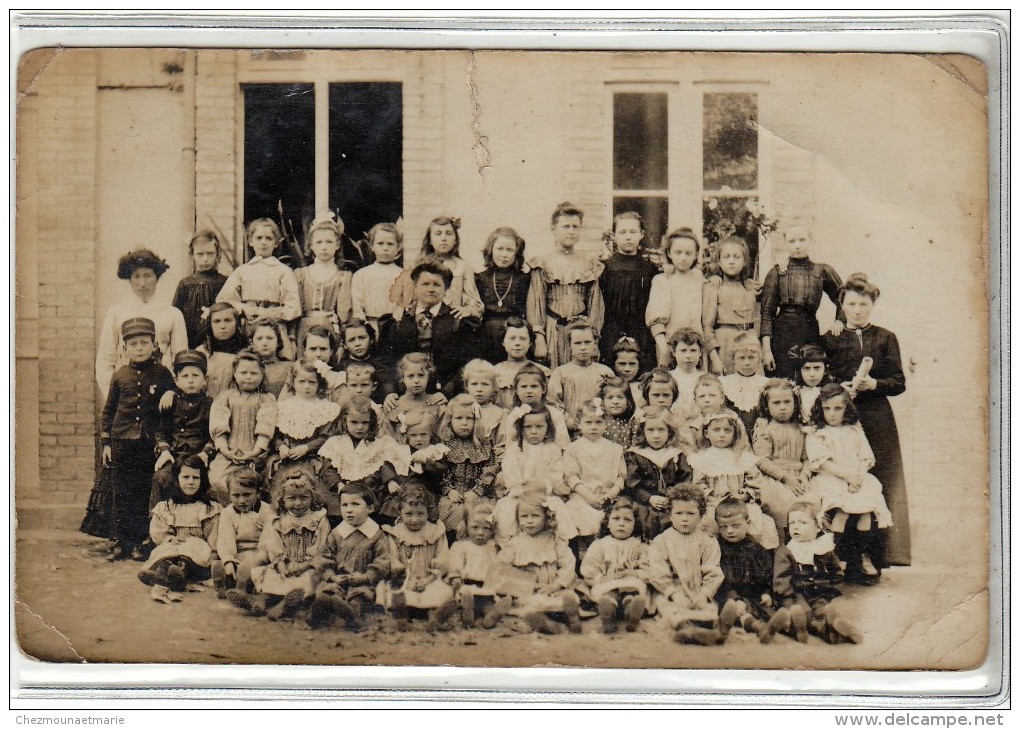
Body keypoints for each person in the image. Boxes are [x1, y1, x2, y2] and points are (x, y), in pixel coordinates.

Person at [822, 271, 910, 566]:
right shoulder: (830, 339)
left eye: (863, 305)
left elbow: (898, 382)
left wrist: (874, 384)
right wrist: (838, 388)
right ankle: (843, 555)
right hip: (842, 420)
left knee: (879, 479)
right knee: (845, 481)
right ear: (842, 305)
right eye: (851, 305)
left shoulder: (886, 338)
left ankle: (878, 554)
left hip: (877, 418)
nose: (857, 311)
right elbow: (819, 377)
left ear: (872, 305)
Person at [97, 317, 176, 560]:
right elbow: (109, 410)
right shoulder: (120, 375)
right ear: (124, 349)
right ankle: (122, 541)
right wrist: (107, 443)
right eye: (133, 344)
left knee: (143, 491)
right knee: (122, 491)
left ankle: (142, 541)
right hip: (122, 441)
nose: (139, 348)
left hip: (147, 443)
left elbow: (175, 393)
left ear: (154, 345)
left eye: (144, 342)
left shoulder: (162, 373)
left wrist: (172, 391)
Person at [806, 383, 893, 585]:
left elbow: (865, 457)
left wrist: (858, 477)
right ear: (820, 409)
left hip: (857, 477)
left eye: (838, 408)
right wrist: (847, 477)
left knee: (865, 511)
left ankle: (862, 556)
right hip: (832, 478)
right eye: (827, 409)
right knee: (842, 511)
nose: (832, 414)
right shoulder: (817, 432)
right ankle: (837, 556)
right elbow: (822, 462)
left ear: (847, 408)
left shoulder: (854, 430)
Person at [378, 257, 481, 396]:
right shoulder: (398, 320)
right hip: (403, 395)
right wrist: (390, 391)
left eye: (437, 285)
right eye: (425, 284)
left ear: (446, 289)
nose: (431, 289)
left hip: (445, 395)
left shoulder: (458, 322)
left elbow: (467, 364)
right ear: (415, 287)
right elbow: (385, 361)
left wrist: (446, 392)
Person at [232, 473, 329, 620]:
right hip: (285, 564)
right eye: (292, 498)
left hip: (309, 566)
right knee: (272, 576)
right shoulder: (278, 520)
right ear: (282, 499)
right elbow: (274, 545)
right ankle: (260, 601)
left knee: (306, 581)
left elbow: (322, 547)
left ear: (312, 497)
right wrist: (280, 563)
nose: (298, 503)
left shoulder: (319, 520)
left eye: (303, 498)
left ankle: (285, 605)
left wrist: (305, 566)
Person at [96, 249, 187, 398]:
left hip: (161, 392)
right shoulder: (116, 312)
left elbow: (180, 359)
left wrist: (171, 393)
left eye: (148, 275)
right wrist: (112, 395)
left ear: (157, 277)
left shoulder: (172, 314)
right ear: (129, 279)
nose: (142, 283)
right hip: (125, 393)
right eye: (136, 276)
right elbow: (105, 359)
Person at [760, 219, 845, 379]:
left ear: (811, 241)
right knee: (783, 380)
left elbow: (844, 297)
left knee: (808, 377)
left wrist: (840, 320)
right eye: (792, 241)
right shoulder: (778, 272)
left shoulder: (822, 271)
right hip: (782, 334)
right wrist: (766, 350)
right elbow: (766, 313)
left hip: (809, 331)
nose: (797, 245)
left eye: (802, 240)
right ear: (785, 243)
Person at [770, 501, 863, 644]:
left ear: (817, 526)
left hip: (819, 593)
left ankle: (838, 626)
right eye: (792, 522)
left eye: (802, 522)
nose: (795, 526)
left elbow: (836, 572)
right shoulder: (786, 551)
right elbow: (781, 580)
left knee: (824, 609)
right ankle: (825, 630)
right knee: (803, 612)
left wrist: (830, 592)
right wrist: (787, 599)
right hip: (796, 594)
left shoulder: (823, 548)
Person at [527, 202, 605, 369]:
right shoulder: (543, 262)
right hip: (552, 330)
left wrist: (594, 339)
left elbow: (595, 304)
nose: (571, 231)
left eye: (575, 226)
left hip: (581, 334)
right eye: (566, 226)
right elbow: (536, 302)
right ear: (554, 229)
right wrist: (539, 338)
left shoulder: (589, 263)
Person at [689, 410, 780, 549]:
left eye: (727, 430)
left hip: (740, 503)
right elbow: (698, 485)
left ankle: (758, 556)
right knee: (708, 523)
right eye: (716, 430)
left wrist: (744, 496)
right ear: (706, 433)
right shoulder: (702, 458)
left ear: (734, 433)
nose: (722, 434)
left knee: (761, 521)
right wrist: (713, 499)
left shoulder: (743, 457)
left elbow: (755, 481)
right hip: (714, 504)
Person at [497, 487, 582, 635]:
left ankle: (570, 616)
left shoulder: (555, 540)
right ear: (517, 519)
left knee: (566, 599)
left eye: (535, 516)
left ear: (546, 517)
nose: (529, 521)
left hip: (554, 589)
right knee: (529, 604)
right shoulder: (514, 543)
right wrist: (521, 585)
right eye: (524, 516)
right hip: (528, 591)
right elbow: (502, 567)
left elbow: (568, 563)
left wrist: (556, 585)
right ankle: (547, 623)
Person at [494, 403, 580, 547]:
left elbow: (554, 474)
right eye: (528, 427)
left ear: (547, 429)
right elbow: (510, 475)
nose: (534, 431)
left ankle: (561, 548)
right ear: (521, 430)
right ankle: (508, 547)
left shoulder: (552, 449)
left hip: (544, 495)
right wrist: (521, 489)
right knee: (506, 509)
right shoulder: (515, 450)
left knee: (557, 508)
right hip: (519, 494)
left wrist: (543, 489)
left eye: (539, 427)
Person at [308, 481, 390, 631]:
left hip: (361, 581)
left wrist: (366, 577)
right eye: (344, 505)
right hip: (339, 578)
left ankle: (351, 615)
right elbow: (324, 556)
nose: (349, 510)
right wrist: (331, 576)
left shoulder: (376, 535)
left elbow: (382, 562)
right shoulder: (337, 533)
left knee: (359, 597)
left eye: (355, 504)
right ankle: (319, 613)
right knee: (327, 592)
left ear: (370, 508)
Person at [137, 455, 221, 602]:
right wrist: (169, 538)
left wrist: (213, 553)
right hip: (175, 546)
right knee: (165, 553)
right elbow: (158, 528)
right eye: (186, 477)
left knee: (189, 552)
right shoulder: (168, 506)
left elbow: (214, 533)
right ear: (176, 479)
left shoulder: (208, 508)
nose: (190, 482)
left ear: (202, 480)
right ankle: (163, 574)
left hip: (198, 552)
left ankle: (178, 575)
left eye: (195, 478)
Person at [648, 484, 724, 645]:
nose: (684, 518)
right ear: (670, 515)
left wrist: (704, 594)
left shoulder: (708, 541)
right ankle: (685, 630)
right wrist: (673, 594)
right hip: (672, 592)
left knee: (709, 610)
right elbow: (658, 573)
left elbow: (713, 572)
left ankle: (705, 629)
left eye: (690, 513)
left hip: (698, 591)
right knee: (667, 607)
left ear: (701, 515)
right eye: (679, 513)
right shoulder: (662, 541)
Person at [216, 218, 301, 360]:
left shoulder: (283, 271)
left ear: (276, 243)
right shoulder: (242, 271)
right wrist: (243, 308)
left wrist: (269, 313)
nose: (263, 242)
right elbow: (223, 301)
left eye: (269, 238)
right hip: (248, 327)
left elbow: (293, 307)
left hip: (274, 329)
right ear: (250, 241)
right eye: (259, 238)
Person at [378, 482, 457, 632]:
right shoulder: (395, 534)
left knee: (443, 591)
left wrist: (428, 580)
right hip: (405, 581)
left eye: (420, 513)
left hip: (430, 580)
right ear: (400, 512)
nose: (414, 519)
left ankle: (435, 617)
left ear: (428, 512)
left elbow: (443, 559)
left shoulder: (436, 532)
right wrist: (405, 579)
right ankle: (403, 614)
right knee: (393, 592)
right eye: (408, 514)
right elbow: (392, 561)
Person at [266, 359, 342, 516]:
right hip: (287, 459)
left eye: (311, 382)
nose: (306, 386)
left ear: (319, 384)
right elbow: (275, 434)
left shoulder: (325, 408)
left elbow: (326, 437)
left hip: (312, 459)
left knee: (314, 492)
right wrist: (281, 446)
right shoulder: (284, 406)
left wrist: (306, 447)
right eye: (301, 381)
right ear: (293, 382)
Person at [317, 395, 406, 525]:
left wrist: (390, 481)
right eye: (354, 422)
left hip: (368, 485)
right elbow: (328, 468)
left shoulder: (377, 444)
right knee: (334, 506)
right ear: (344, 421)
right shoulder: (335, 443)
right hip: (342, 487)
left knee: (379, 502)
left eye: (364, 423)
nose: (360, 427)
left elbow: (385, 464)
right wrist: (339, 484)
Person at [207, 350, 278, 504]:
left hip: (255, 454)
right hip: (228, 453)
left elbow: (265, 429)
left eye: (254, 373)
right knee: (217, 480)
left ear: (262, 374)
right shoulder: (225, 397)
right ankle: (228, 512)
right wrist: (226, 450)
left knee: (252, 484)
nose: (248, 377)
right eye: (243, 372)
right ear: (234, 373)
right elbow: (218, 428)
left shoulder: (266, 399)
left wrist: (255, 452)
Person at [151, 350, 215, 508]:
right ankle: (158, 521)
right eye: (185, 376)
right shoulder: (171, 401)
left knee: (208, 481)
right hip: (175, 454)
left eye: (196, 375)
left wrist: (205, 453)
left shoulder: (210, 404)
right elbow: (161, 431)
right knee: (162, 477)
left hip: (199, 455)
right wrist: (165, 450)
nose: (191, 381)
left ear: (205, 380)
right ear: (176, 380)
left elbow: (214, 435)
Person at [580, 496, 650, 634]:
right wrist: (600, 578)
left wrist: (635, 573)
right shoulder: (600, 544)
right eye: (616, 519)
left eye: (627, 520)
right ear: (607, 523)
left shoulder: (640, 546)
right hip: (607, 582)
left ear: (635, 524)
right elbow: (589, 567)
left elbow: (649, 567)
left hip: (630, 581)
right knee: (607, 596)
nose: (621, 524)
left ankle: (632, 613)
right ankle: (608, 617)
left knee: (632, 592)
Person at [752, 379, 812, 539]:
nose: (783, 407)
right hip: (776, 478)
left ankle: (805, 546)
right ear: (767, 406)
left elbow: (807, 458)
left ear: (795, 403)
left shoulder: (801, 428)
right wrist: (786, 479)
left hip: (799, 477)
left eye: (787, 402)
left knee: (811, 501)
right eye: (776, 403)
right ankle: (782, 546)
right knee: (780, 504)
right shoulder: (765, 429)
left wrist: (805, 476)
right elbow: (762, 460)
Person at [434, 395, 500, 539]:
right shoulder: (444, 445)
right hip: (453, 496)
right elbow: (439, 472)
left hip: (477, 495)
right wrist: (448, 490)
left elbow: (491, 470)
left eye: (469, 418)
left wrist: (477, 491)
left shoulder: (483, 445)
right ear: (450, 419)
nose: (464, 423)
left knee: (479, 514)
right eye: (459, 418)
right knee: (450, 515)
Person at [600, 212, 659, 372]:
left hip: (641, 331)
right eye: (622, 232)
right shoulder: (604, 267)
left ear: (642, 235)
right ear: (613, 236)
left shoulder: (650, 268)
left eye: (633, 232)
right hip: (611, 330)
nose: (628, 237)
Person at [623, 405, 691, 538]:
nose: (656, 435)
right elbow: (632, 483)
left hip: (672, 501)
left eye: (661, 430)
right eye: (651, 430)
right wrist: (649, 498)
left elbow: (685, 480)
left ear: (670, 432)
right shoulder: (635, 455)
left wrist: (672, 497)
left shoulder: (677, 454)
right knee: (643, 518)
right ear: (643, 432)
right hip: (645, 501)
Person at [713, 497, 776, 642]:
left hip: (754, 597)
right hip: (729, 597)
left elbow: (767, 574)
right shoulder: (718, 550)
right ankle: (758, 628)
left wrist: (766, 593)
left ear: (747, 524)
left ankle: (784, 626)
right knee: (737, 611)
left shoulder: (757, 549)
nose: (729, 531)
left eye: (735, 526)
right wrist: (734, 599)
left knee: (767, 611)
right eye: (724, 527)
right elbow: (721, 580)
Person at [565, 399, 627, 537]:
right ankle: (583, 548)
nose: (593, 427)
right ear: (579, 424)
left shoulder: (614, 449)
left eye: (598, 422)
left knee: (619, 512)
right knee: (574, 509)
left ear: (605, 424)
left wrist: (610, 494)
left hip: (609, 496)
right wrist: (589, 497)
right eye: (588, 422)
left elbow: (620, 478)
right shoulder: (573, 449)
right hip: (583, 497)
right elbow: (572, 478)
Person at [446, 502, 512, 629]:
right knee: (466, 597)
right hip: (468, 585)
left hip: (488, 585)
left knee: (488, 602)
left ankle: (491, 616)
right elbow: (455, 564)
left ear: (492, 529)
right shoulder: (461, 546)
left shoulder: (493, 546)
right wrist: (455, 577)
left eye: (486, 528)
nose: (481, 532)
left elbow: (501, 562)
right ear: (466, 526)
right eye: (475, 527)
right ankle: (467, 613)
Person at [646, 227, 706, 368]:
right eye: (678, 252)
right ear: (669, 253)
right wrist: (664, 350)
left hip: (695, 348)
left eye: (688, 253)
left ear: (696, 254)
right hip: (670, 347)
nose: (683, 258)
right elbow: (656, 321)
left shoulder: (699, 279)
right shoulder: (663, 280)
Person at [294, 215, 353, 356]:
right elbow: (295, 310)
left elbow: (344, 314)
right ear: (311, 245)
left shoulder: (343, 276)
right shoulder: (301, 274)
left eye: (329, 242)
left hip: (330, 329)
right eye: (319, 242)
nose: (324, 247)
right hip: (304, 329)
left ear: (337, 245)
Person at [212, 469, 272, 598]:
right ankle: (222, 586)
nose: (241, 501)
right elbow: (225, 538)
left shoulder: (267, 511)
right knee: (224, 564)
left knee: (252, 569)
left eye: (247, 495)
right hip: (237, 554)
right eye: (236, 495)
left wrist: (259, 558)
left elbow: (268, 540)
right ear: (229, 494)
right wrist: (228, 559)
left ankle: (240, 589)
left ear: (257, 493)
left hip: (258, 555)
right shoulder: (227, 513)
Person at [702, 236, 757, 375]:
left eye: (737, 257)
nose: (731, 261)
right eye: (726, 257)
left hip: (749, 343)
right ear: (719, 261)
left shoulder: (750, 287)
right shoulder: (714, 287)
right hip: (724, 345)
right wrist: (715, 358)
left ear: (744, 261)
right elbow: (707, 327)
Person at [548, 317, 614, 431]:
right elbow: (553, 403)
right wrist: (568, 421)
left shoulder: (605, 372)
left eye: (587, 342)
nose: (583, 347)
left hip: (598, 429)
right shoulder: (560, 373)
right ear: (570, 346)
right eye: (577, 343)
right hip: (569, 430)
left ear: (595, 343)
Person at [475, 227, 530, 363]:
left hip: (514, 332)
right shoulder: (480, 278)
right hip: (486, 334)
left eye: (509, 250)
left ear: (516, 253)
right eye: (500, 249)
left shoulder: (524, 279)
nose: (504, 255)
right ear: (491, 250)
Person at [172, 229, 229, 349]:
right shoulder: (185, 284)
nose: (205, 259)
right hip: (191, 340)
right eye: (200, 254)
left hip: (219, 342)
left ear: (218, 254)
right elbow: (175, 316)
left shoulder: (226, 282)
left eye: (210, 254)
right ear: (192, 255)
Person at [351, 222, 404, 336]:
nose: (385, 248)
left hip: (395, 328)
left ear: (398, 247)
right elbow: (357, 307)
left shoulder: (403, 275)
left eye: (390, 244)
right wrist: (365, 327)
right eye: (380, 243)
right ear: (372, 246)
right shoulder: (362, 275)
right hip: (369, 328)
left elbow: (405, 303)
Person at [719, 332, 770, 438]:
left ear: (759, 358)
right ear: (733, 359)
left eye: (751, 358)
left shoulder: (765, 383)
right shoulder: (725, 383)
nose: (747, 363)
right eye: (741, 358)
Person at [493, 318, 549, 409]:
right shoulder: (494, 372)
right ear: (503, 341)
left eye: (523, 339)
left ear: (530, 342)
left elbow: (550, 405)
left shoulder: (542, 371)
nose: (517, 343)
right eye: (512, 338)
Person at [197, 302, 248, 399]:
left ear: (236, 323)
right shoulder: (201, 353)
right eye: (217, 321)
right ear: (209, 324)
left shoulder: (245, 352)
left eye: (228, 320)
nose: (223, 326)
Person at [461, 358, 507, 442]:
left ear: (493, 387)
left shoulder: (499, 414)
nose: (479, 389)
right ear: (466, 386)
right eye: (474, 384)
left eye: (485, 384)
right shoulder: (460, 409)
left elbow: (501, 445)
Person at [667, 328, 706, 421]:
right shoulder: (669, 377)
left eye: (693, 350)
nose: (688, 356)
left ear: (700, 352)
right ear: (674, 352)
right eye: (683, 350)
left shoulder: (704, 378)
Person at [791, 343, 832, 424]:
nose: (812, 374)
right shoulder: (794, 392)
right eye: (806, 368)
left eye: (817, 368)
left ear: (825, 370)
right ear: (800, 370)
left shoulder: (831, 391)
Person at [249, 319, 290, 399]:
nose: (264, 343)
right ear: (252, 343)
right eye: (259, 338)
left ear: (278, 342)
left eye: (269, 338)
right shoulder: (248, 367)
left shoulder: (288, 367)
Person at [598, 376, 636, 448]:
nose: (615, 402)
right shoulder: (598, 422)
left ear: (628, 401)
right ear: (602, 401)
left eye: (620, 397)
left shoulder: (633, 423)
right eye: (610, 398)